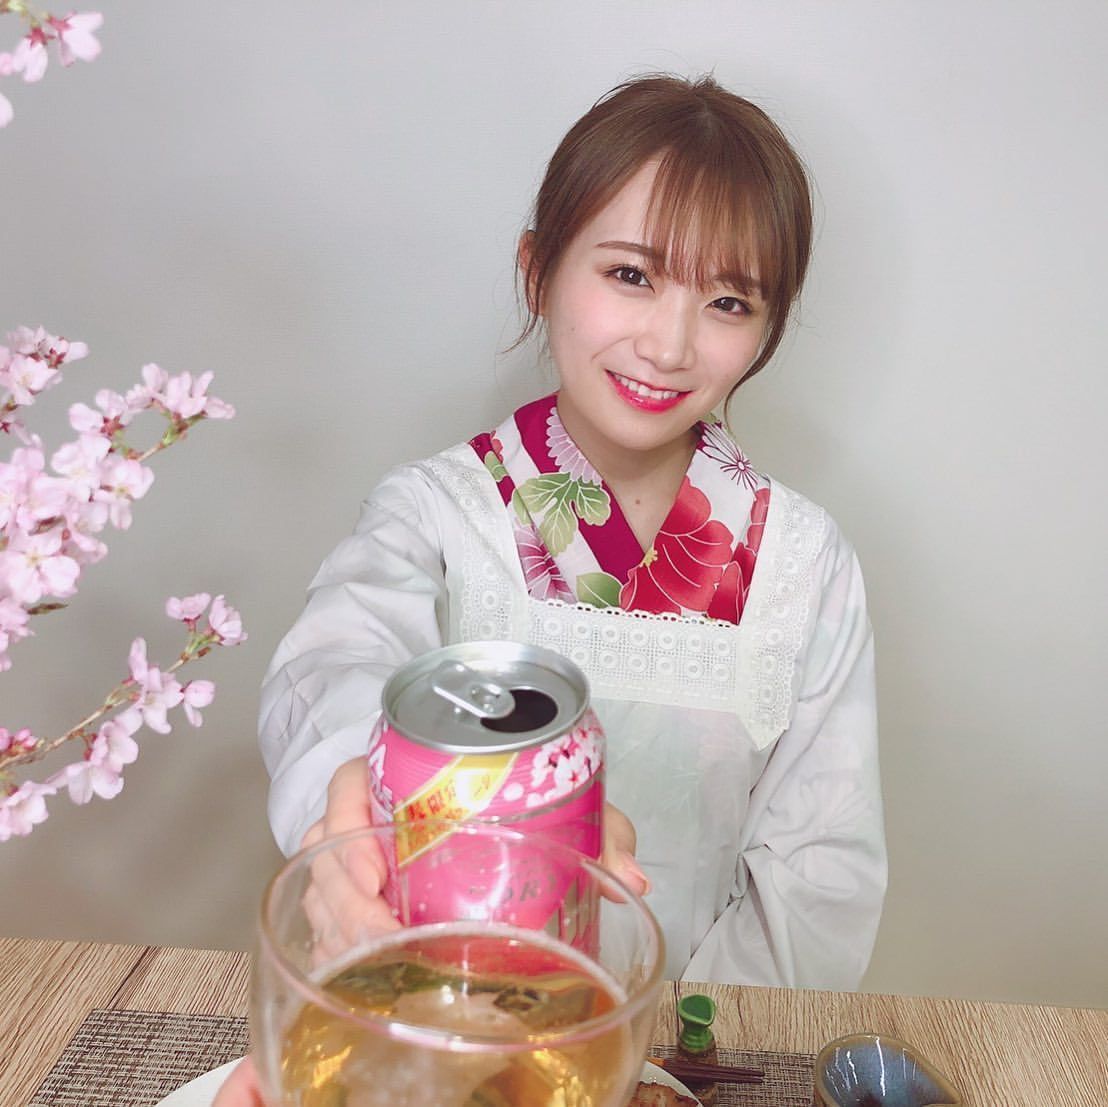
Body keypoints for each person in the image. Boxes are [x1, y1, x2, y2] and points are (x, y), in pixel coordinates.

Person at [259, 73, 886, 993]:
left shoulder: (804, 561)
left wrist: (676, 1042)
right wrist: (357, 780)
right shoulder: (435, 513)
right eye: (631, 276)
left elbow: (818, 875)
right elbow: (329, 670)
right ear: (538, 270)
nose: (669, 346)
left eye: (729, 302)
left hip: (696, 1044)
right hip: (447, 1016)